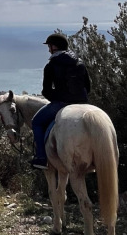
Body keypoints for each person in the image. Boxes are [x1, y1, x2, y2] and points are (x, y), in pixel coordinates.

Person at [30, 33, 91, 169]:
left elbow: (46, 91)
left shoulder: (51, 65)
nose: (48, 49)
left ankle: (41, 158)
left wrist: (57, 100)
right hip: (82, 102)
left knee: (36, 122)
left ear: (54, 47)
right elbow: (88, 86)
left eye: (50, 46)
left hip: (62, 103)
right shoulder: (79, 62)